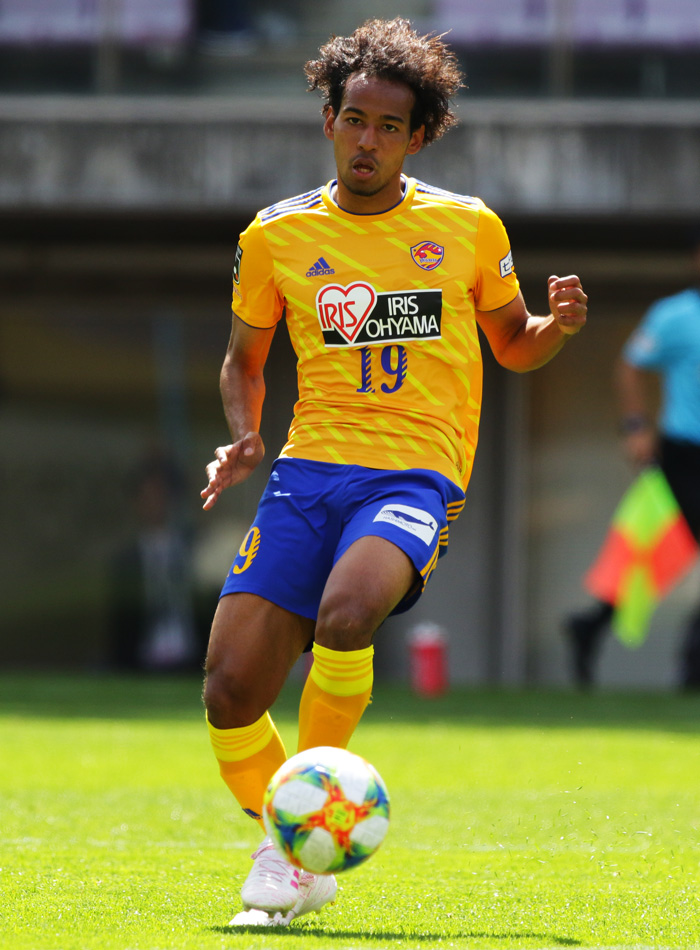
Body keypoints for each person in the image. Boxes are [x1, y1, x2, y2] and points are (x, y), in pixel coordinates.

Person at [200, 17, 588, 928]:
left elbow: (513, 344)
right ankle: (303, 847)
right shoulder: (276, 236)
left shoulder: (466, 227)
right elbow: (242, 362)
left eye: (388, 126)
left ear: (417, 136)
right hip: (306, 473)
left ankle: (288, 851)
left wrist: (558, 329)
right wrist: (245, 435)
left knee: (347, 613)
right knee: (228, 691)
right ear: (328, 121)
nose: (367, 140)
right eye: (353, 120)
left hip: (414, 475)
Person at [564, 238, 700, 690]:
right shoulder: (675, 315)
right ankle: (691, 664)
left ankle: (591, 626)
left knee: (653, 556)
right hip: (685, 454)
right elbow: (630, 367)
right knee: (647, 553)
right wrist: (636, 427)